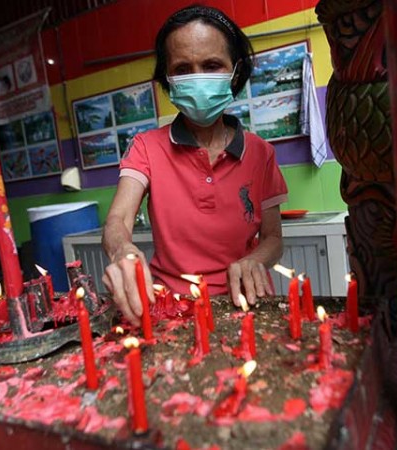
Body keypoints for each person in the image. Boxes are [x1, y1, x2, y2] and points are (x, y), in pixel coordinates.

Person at [102, 5, 288, 325]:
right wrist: (123, 252)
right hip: (168, 306)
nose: (197, 78)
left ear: (235, 70)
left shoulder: (261, 153)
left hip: (246, 302)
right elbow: (117, 220)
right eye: (183, 69)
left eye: (212, 65)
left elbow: (274, 238)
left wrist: (254, 260)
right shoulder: (145, 147)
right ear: (168, 79)